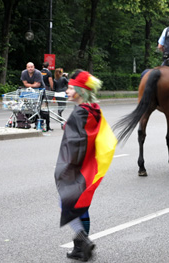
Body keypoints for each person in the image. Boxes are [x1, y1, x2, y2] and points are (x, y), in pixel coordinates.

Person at [54, 70, 117, 262]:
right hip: (88, 165)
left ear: (81, 91)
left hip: (78, 166)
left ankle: (82, 240)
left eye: (71, 88)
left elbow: (77, 141)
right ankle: (80, 248)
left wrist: (68, 167)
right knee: (81, 204)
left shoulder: (80, 112)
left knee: (66, 202)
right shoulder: (93, 108)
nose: (67, 90)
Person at [21, 62, 52, 131]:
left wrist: (29, 85)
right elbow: (25, 83)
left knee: (37, 107)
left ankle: (37, 123)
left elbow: (37, 85)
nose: (30, 68)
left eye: (31, 67)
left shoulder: (38, 73)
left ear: (34, 67)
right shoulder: (24, 73)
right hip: (29, 92)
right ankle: (28, 121)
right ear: (26, 68)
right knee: (29, 107)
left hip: (40, 92)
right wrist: (32, 86)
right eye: (29, 67)